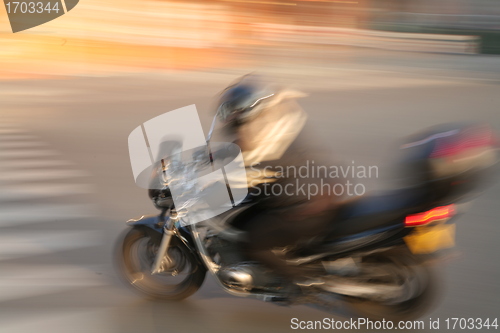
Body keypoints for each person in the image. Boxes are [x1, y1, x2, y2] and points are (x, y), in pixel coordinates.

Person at [212, 74, 340, 287]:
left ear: (245, 113)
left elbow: (243, 175)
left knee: (253, 242)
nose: (229, 120)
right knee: (248, 217)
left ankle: (302, 282)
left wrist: (210, 185)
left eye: (232, 114)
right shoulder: (278, 123)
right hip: (317, 191)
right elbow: (241, 149)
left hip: (303, 209)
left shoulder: (265, 148)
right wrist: (209, 157)